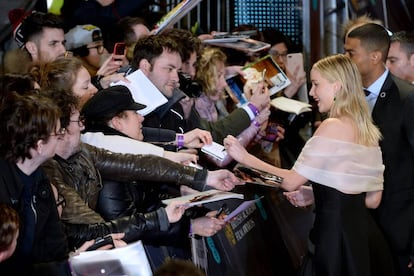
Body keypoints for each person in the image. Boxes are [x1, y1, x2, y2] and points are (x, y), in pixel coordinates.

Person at [224, 54, 395, 275]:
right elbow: (372, 200)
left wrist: (244, 157)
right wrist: (319, 193)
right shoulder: (367, 130)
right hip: (364, 239)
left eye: (316, 85)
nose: (312, 93)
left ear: (337, 86)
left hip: (335, 240)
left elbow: (290, 181)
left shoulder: (332, 125)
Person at [344, 23, 414, 276]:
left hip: (398, 228)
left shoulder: (407, 98)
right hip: (357, 224)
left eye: (351, 53)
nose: (345, 59)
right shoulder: (348, 97)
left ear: (374, 56)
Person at [131, 32, 270, 144]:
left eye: (178, 69)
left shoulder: (175, 94)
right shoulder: (124, 98)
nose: (190, 73)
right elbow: (213, 135)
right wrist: (253, 109)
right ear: (145, 66)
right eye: (170, 69)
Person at [0, 92, 71, 274]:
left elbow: (55, 247)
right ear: (39, 145)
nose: (61, 136)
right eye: (58, 133)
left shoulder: (39, 178)